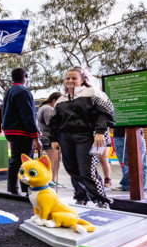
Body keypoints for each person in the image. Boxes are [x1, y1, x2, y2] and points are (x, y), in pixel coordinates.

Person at [49, 67, 115, 209]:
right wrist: (53, 138)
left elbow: (106, 112)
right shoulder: (61, 99)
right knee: (71, 168)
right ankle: (80, 197)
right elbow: (55, 121)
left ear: (83, 79)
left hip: (89, 137)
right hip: (65, 138)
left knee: (87, 169)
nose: (70, 81)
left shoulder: (94, 93)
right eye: (67, 78)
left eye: (74, 78)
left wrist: (100, 131)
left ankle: (101, 199)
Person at [1, 68, 42, 195]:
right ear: (26, 76)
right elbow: (28, 115)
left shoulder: (10, 91)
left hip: (12, 131)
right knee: (23, 161)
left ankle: (17, 189)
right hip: (21, 132)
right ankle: (19, 190)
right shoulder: (23, 91)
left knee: (17, 161)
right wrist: (35, 137)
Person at [110, 127, 147, 193]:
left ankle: (141, 186)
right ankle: (128, 185)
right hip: (121, 135)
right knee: (125, 164)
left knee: (140, 163)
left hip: (136, 133)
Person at [37, 92, 63, 187]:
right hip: (49, 138)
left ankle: (53, 180)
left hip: (48, 137)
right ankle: (50, 180)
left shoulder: (44, 107)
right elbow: (51, 123)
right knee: (54, 159)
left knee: (56, 159)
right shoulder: (48, 108)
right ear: (54, 100)